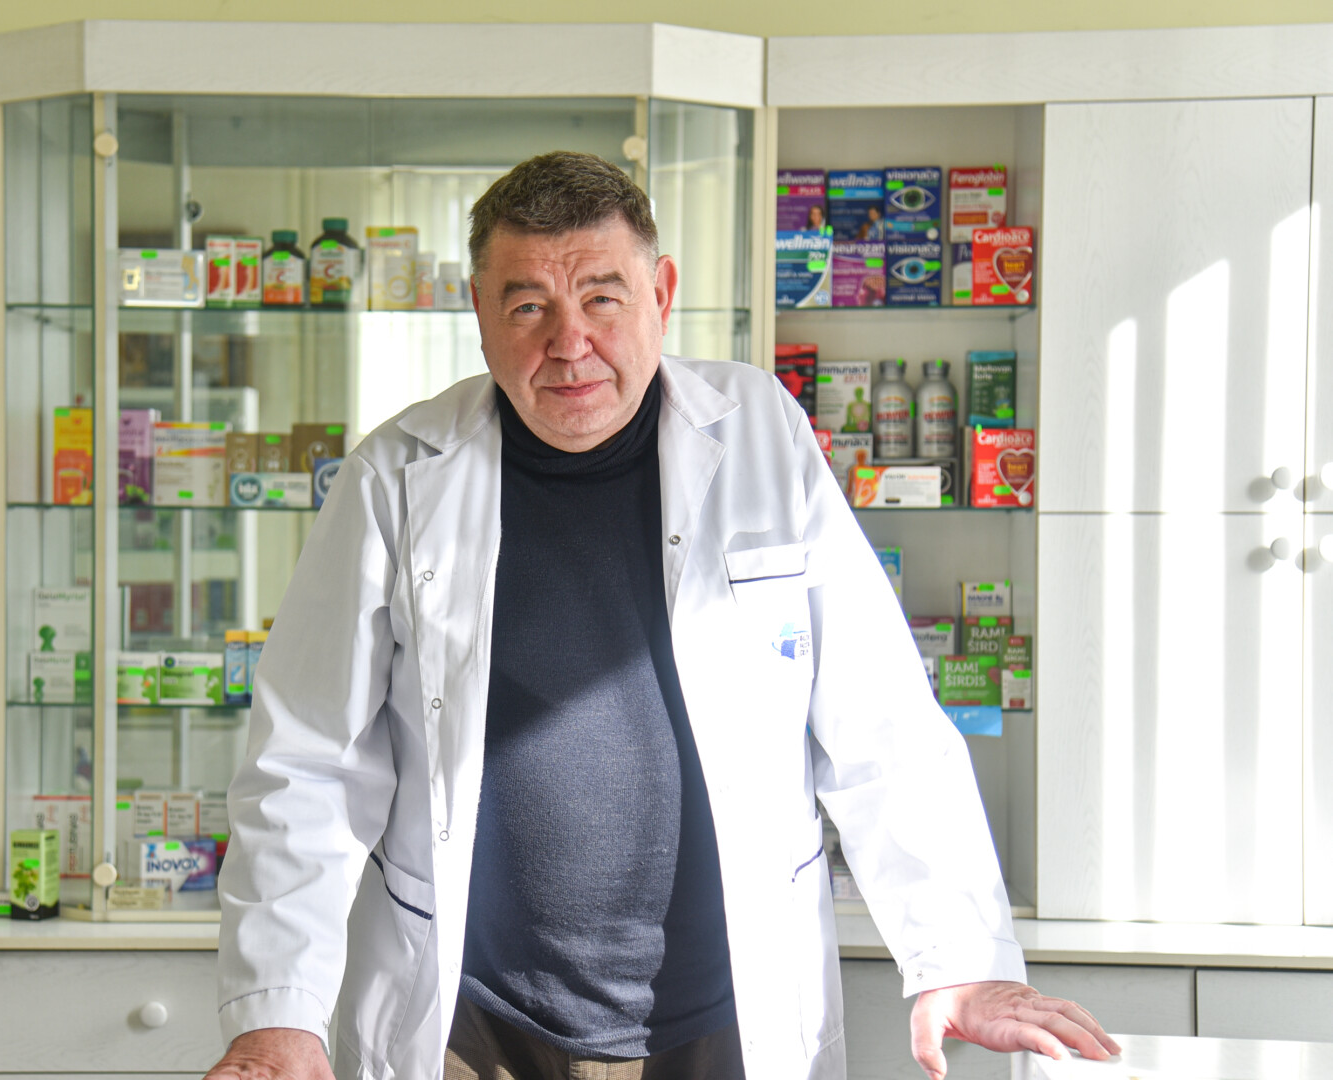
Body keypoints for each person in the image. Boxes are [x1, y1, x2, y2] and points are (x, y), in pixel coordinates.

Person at [208, 151, 1118, 1080]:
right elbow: (305, 764)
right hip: (469, 1023)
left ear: (661, 294)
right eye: (528, 307)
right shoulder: (395, 476)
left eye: (602, 298)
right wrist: (278, 1014)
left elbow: (881, 722)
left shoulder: (761, 433)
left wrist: (961, 959)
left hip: (725, 1017)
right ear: (479, 313)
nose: (570, 343)